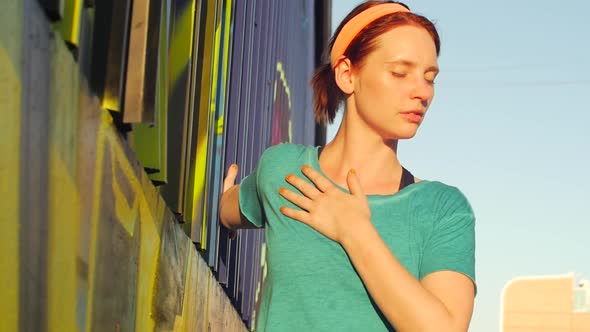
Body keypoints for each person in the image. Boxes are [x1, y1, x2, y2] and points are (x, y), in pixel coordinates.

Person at [219, 1, 476, 331]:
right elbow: (229, 209)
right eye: (400, 73)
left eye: (429, 78)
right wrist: (224, 200)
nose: (421, 92)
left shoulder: (443, 209)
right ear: (346, 74)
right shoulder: (283, 170)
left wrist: (354, 230)